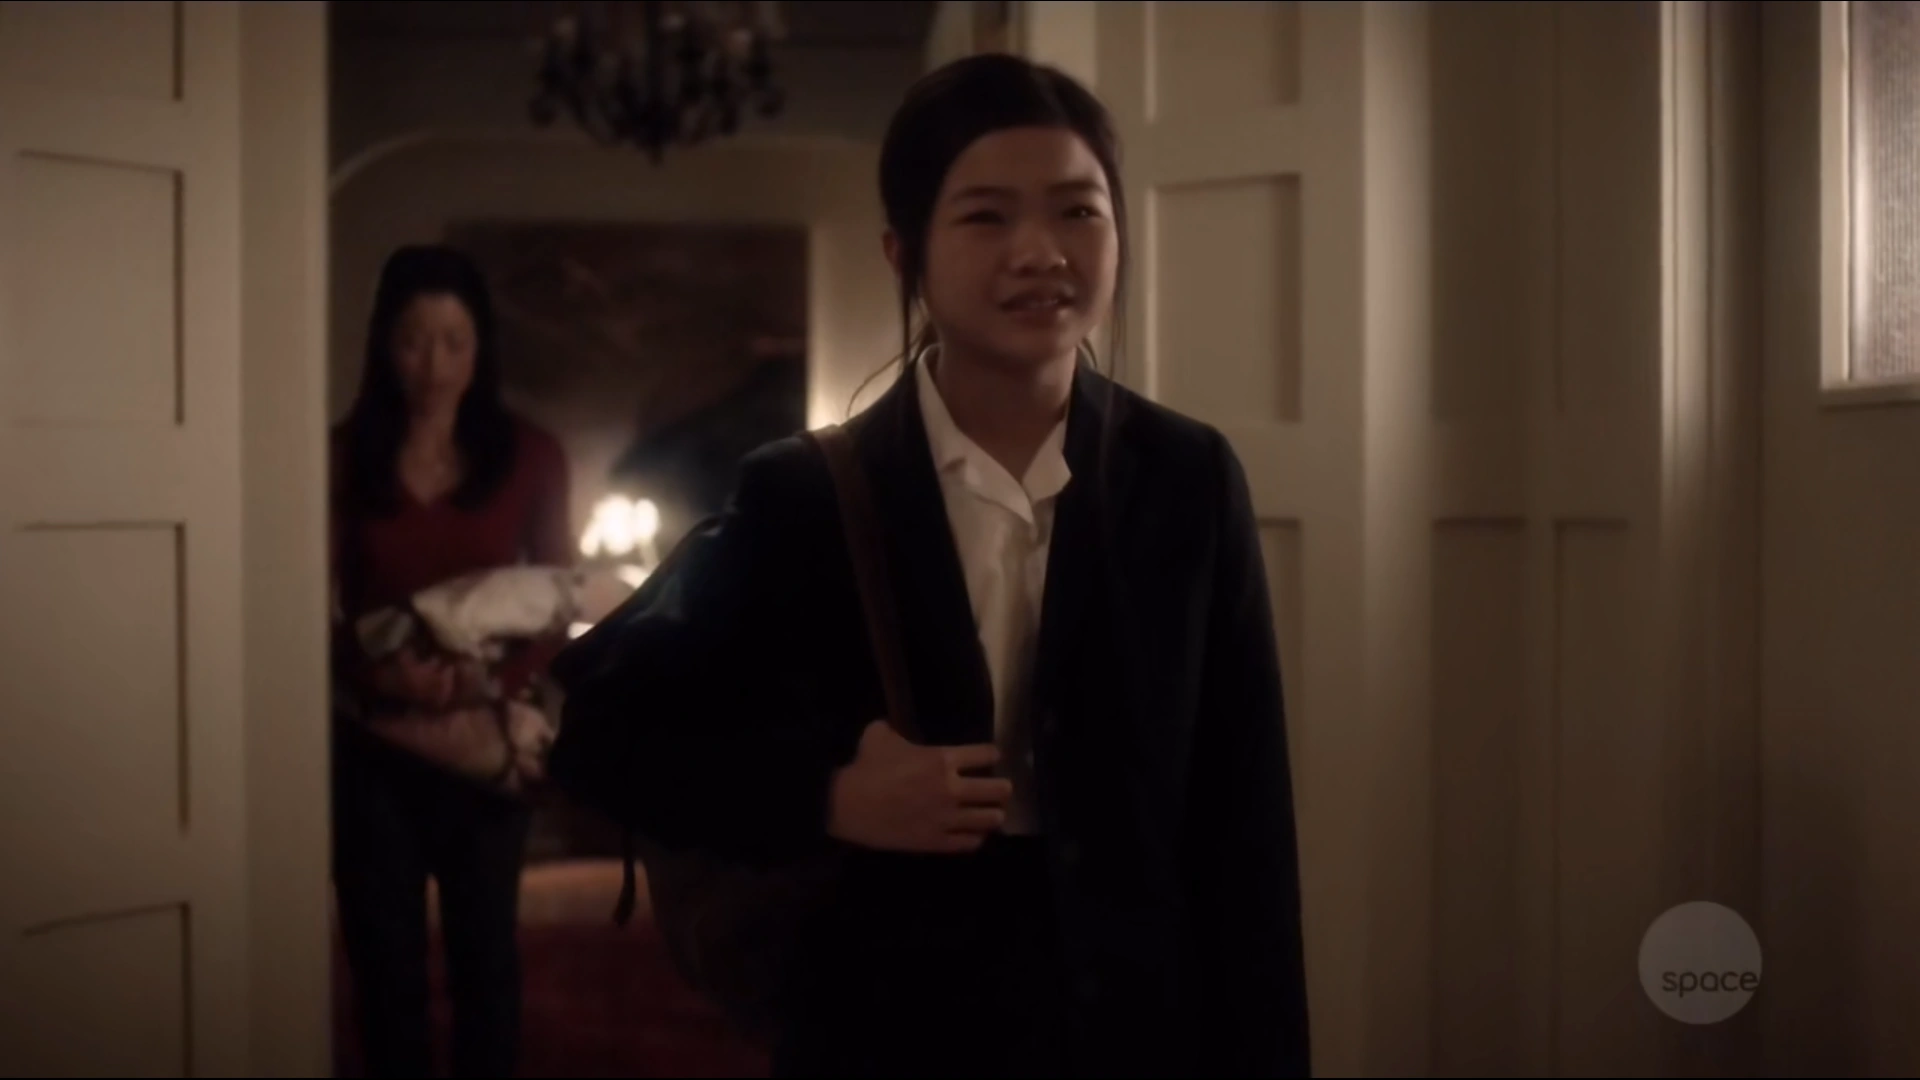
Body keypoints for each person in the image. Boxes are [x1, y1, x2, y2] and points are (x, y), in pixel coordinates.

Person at [553, 54, 1310, 1078]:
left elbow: (1245, 824)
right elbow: (601, 732)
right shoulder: (808, 495)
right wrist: (825, 793)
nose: (1040, 251)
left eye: (1078, 212)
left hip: (1135, 1032)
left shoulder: (1187, 479)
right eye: (987, 216)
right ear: (903, 251)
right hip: (889, 1028)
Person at [329, 244, 572, 1078]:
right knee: (384, 968)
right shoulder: (341, 456)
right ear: (383, 345)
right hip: (372, 743)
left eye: (453, 342)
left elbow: (557, 601)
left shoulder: (533, 455)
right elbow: (304, 609)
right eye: (412, 341)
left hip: (483, 744)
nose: (433, 366)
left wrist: (485, 680)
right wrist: (379, 675)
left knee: (486, 964)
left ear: (480, 348)